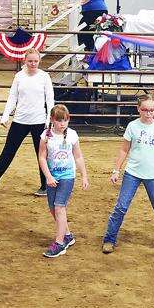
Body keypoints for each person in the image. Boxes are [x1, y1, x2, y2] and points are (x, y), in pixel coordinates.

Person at [102, 95, 154, 254]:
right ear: (138, 109)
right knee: (121, 207)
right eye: (145, 110)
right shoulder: (132, 126)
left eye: (151, 110)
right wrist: (116, 170)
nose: (149, 113)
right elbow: (124, 149)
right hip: (132, 173)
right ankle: (109, 239)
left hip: (153, 174)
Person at [0, 48, 52, 196]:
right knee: (8, 152)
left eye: (35, 61)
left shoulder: (45, 77)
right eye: (30, 61)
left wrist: (49, 120)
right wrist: (5, 115)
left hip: (39, 121)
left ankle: (46, 185)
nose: (33, 63)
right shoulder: (19, 76)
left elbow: (50, 100)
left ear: (39, 61)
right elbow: (12, 97)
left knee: (42, 154)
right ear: (25, 61)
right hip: (20, 120)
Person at [38, 104, 90, 258]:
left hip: (67, 176)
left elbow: (78, 156)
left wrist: (84, 175)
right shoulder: (46, 136)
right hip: (53, 176)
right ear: (52, 120)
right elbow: (42, 157)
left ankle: (59, 243)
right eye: (59, 120)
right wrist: (48, 176)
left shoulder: (72, 135)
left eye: (65, 120)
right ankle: (67, 235)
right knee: (53, 208)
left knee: (59, 207)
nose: (62, 124)